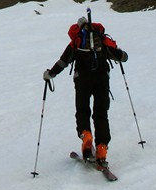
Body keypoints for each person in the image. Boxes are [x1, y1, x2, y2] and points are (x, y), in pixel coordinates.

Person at [43, 16, 129, 169]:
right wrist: (120, 54)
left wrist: (51, 73)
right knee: (101, 113)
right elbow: (122, 57)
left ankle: (86, 136)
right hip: (102, 80)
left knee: (82, 110)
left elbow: (63, 61)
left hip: (82, 80)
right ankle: (102, 148)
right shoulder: (101, 39)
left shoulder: (76, 42)